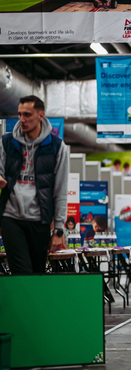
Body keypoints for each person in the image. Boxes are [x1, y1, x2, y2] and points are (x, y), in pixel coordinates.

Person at [0, 95, 69, 274]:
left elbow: (60, 190)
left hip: (40, 221)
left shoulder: (57, 147)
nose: (22, 119)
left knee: (37, 272)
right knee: (22, 271)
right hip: (11, 218)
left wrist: (59, 230)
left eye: (27, 115)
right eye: (20, 114)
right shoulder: (6, 142)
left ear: (41, 115)